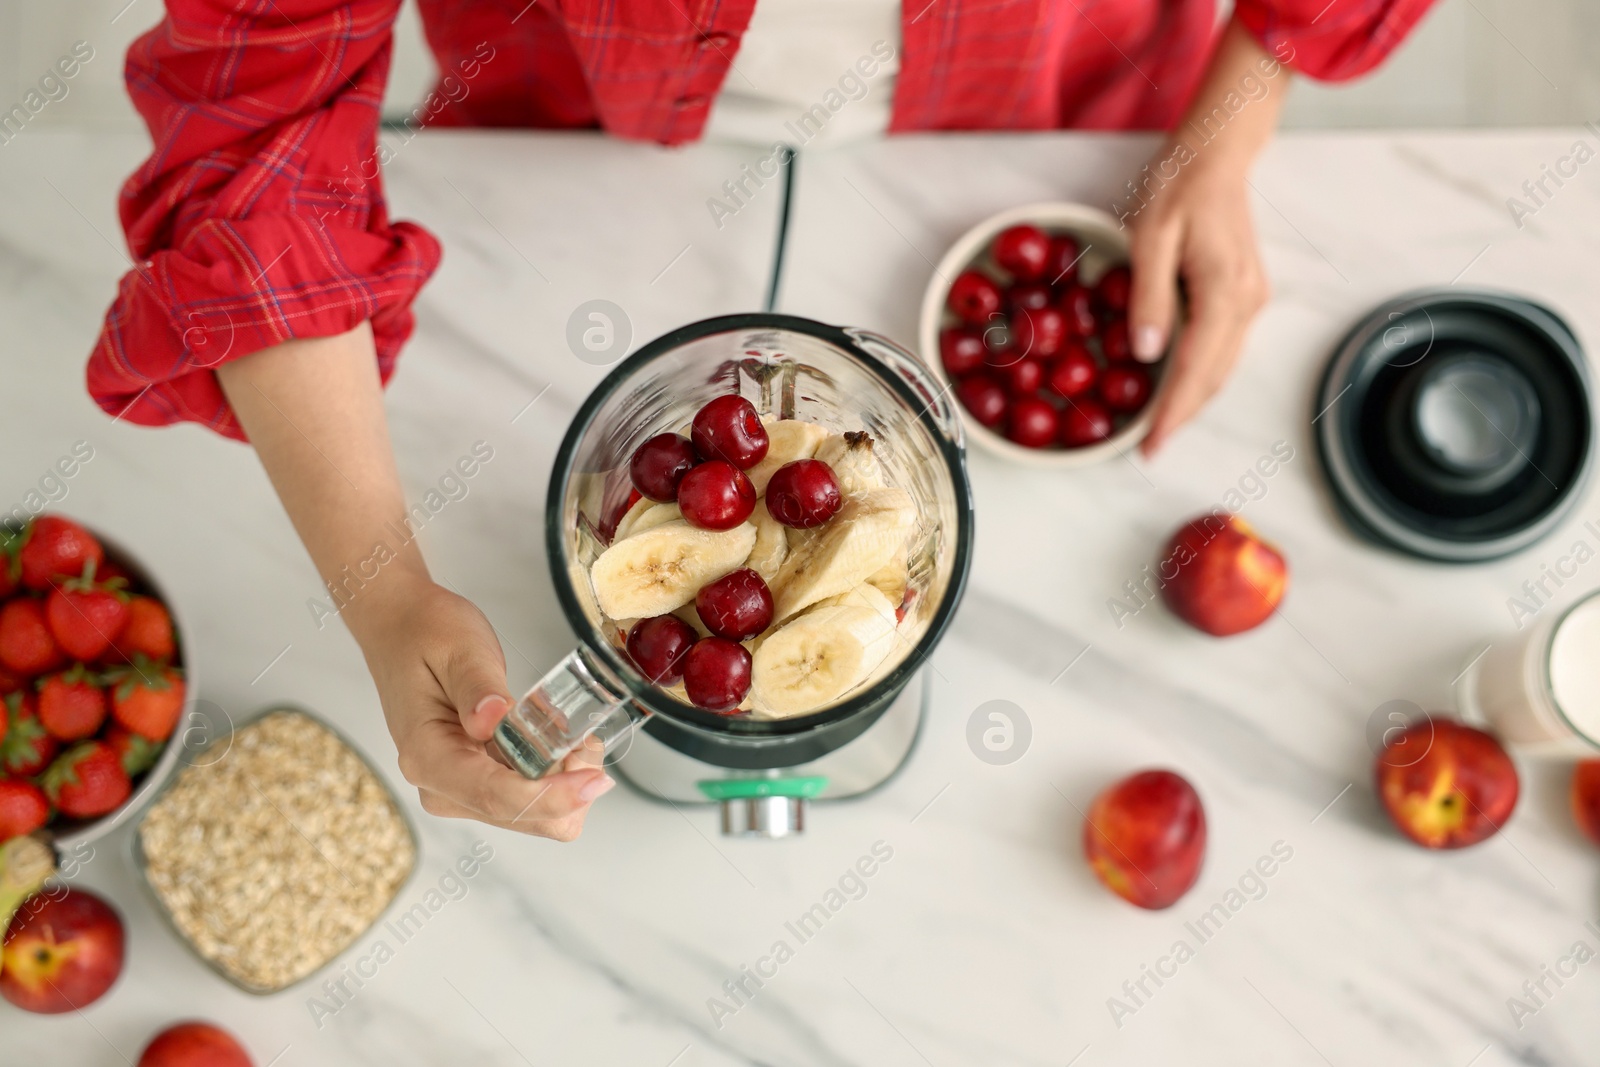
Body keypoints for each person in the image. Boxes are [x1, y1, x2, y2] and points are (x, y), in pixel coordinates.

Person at [87, 0, 1435, 840]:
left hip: (1042, 94)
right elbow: (250, 134)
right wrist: (385, 602)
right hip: (575, 132)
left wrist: (1235, 118)